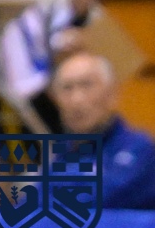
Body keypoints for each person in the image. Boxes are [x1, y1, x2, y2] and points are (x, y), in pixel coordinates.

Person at [0, 0, 113, 132]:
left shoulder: (100, 20)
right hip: (27, 99)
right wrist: (57, 53)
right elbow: (23, 64)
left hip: (69, 103)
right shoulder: (38, 6)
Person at [44, 52, 155, 211]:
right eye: (67, 88)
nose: (76, 99)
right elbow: (29, 208)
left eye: (86, 85)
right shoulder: (60, 156)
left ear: (112, 93)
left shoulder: (140, 149)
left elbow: (99, 201)